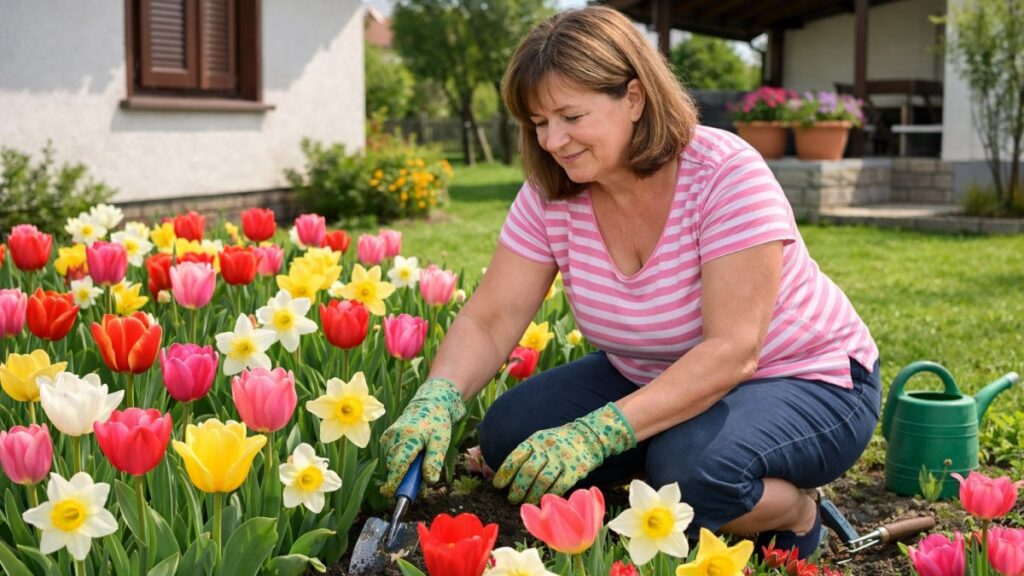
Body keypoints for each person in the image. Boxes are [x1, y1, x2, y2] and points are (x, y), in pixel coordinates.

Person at [380, 6, 880, 558]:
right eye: (539, 122)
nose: (552, 140)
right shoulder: (552, 193)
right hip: (654, 374)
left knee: (689, 475)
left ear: (635, 99)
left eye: (570, 116)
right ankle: (666, 464)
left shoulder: (723, 173)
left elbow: (734, 350)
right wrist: (439, 396)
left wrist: (596, 434)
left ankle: (796, 511)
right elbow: (491, 317)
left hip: (802, 376)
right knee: (508, 438)